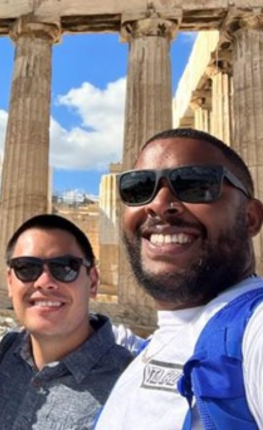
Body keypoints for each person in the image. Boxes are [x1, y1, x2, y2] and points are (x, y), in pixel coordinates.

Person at [95, 128, 263, 428]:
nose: (158, 204)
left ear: (250, 217)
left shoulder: (253, 331)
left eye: (195, 184)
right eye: (139, 187)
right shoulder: (153, 346)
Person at [0, 214, 133, 430]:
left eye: (65, 267)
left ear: (93, 282)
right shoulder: (8, 351)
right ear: (10, 283)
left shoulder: (131, 385)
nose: (44, 282)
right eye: (26, 268)